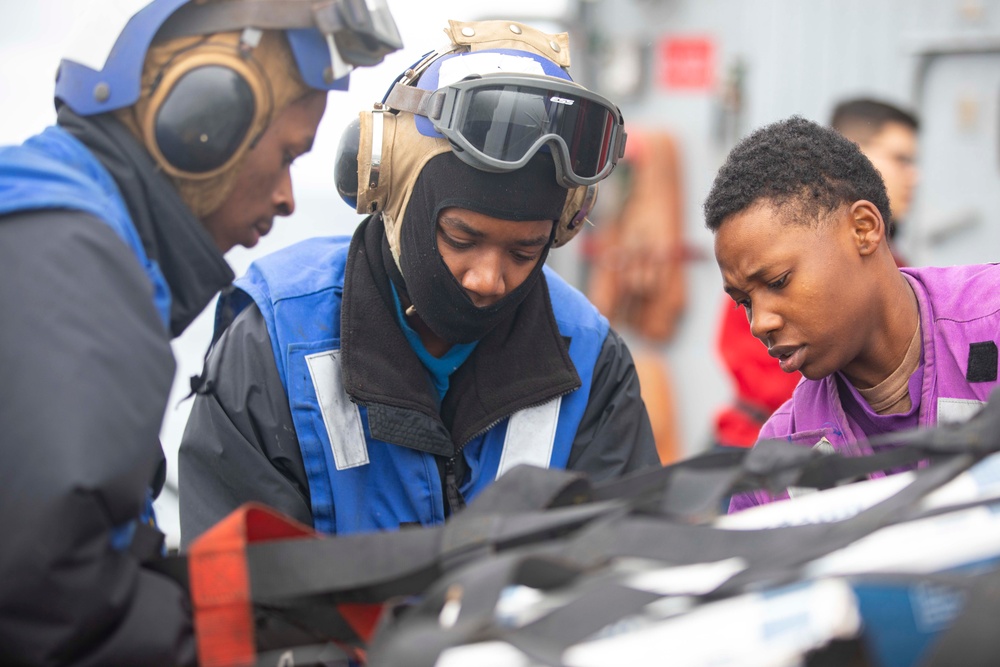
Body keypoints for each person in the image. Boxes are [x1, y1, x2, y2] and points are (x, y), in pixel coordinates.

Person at [0, 1, 401, 664]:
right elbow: (56, 611)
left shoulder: (46, 234)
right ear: (205, 123)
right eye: (285, 155)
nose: (287, 199)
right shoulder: (79, 275)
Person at [179, 19, 660, 544]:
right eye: (461, 237)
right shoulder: (275, 344)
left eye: (525, 251)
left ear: (563, 226)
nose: (488, 280)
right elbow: (240, 594)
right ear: (389, 189)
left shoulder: (591, 361)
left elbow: (623, 568)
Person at [703, 116, 1000, 513]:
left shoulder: (990, 321)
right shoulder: (780, 459)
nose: (760, 323)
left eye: (778, 281)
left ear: (863, 229)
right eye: (744, 302)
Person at [830, 97, 920, 263]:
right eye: (901, 159)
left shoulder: (884, 250)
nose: (914, 177)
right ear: (855, 154)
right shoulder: (834, 254)